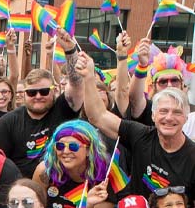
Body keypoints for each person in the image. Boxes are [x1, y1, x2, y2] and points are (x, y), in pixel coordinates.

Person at [77, 52, 195, 200]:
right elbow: (98, 116)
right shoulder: (141, 135)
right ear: (153, 115)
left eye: (177, 112)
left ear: (186, 117)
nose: (169, 117)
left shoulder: (192, 157)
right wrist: (88, 78)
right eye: (163, 111)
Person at [0, 63, 83, 178]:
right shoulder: (8, 121)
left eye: (44, 91)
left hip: (62, 183)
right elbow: (0, 163)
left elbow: (76, 84)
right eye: (31, 92)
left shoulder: (64, 108)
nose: (37, 96)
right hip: (24, 187)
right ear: (24, 94)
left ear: (55, 90)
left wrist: (69, 50)